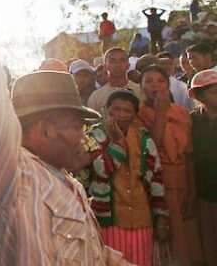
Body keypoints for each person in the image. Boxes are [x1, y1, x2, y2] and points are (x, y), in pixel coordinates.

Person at [0, 0, 129, 264]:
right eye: (77, 126)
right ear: (45, 128)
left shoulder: (69, 183)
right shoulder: (15, 175)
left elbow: (90, 252)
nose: (83, 137)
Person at [88, 89, 169, 266]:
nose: (121, 115)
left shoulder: (143, 138)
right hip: (108, 220)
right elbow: (102, 170)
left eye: (127, 111)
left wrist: (162, 217)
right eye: (116, 109)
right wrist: (118, 143)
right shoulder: (95, 135)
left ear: (134, 115)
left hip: (142, 218)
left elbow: (156, 177)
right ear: (107, 109)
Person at [137, 65, 204, 265]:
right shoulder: (138, 114)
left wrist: (192, 191)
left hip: (183, 181)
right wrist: (160, 112)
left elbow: (189, 153)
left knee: (189, 242)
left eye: (160, 80)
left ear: (168, 85)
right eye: (148, 81)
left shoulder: (182, 113)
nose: (155, 85)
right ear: (141, 87)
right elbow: (153, 147)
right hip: (158, 184)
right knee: (168, 244)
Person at [187, 70, 217, 266]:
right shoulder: (191, 120)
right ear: (199, 96)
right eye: (215, 92)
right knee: (209, 242)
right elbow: (189, 156)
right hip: (205, 191)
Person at [88, 47, 144, 117]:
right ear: (105, 66)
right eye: (112, 61)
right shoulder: (96, 98)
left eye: (122, 60)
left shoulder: (141, 92)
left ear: (128, 65)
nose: (117, 64)